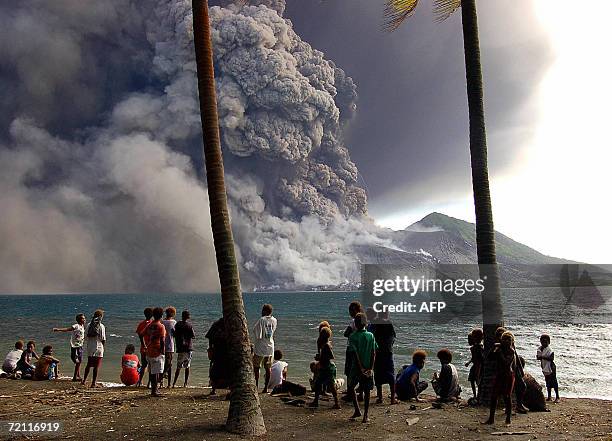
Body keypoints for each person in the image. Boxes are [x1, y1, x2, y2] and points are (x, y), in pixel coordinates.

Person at [347, 312, 377, 423]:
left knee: (351, 387)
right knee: (367, 391)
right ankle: (365, 415)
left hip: (356, 367)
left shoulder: (353, 336)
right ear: (366, 323)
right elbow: (374, 353)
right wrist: (371, 368)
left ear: (355, 323)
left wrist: (361, 368)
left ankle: (357, 410)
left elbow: (355, 354)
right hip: (369, 367)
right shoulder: (371, 335)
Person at [484, 331, 517, 425]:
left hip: (508, 376)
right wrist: (493, 348)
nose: (506, 341)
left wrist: (500, 353)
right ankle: (491, 418)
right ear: (501, 340)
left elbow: (507, 364)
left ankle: (508, 418)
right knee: (494, 396)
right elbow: (489, 358)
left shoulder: (511, 351)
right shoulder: (499, 349)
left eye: (508, 339)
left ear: (512, 341)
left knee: (507, 396)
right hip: (499, 375)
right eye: (504, 339)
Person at [309, 327, 340, 409]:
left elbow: (331, 356)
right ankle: (316, 401)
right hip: (325, 367)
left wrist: (320, 358)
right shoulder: (325, 344)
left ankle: (337, 403)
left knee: (330, 386)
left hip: (328, 368)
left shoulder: (326, 345)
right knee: (319, 383)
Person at [372, 311, 397, 404]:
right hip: (387, 352)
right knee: (391, 376)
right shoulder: (389, 323)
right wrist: (389, 346)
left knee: (378, 375)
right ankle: (392, 399)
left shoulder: (376, 324)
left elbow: (372, 336)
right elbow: (393, 337)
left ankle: (380, 397)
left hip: (378, 353)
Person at [52, 313, 86, 381]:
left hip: (80, 346)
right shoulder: (76, 326)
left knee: (79, 361)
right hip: (75, 346)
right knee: (76, 360)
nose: (85, 320)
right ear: (79, 320)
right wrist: (58, 329)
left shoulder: (82, 326)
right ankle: (75, 376)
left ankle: (77, 375)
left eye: (84, 318)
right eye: (83, 318)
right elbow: (67, 329)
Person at [252, 304, 277, 393]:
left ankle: (256, 386)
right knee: (268, 368)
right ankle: (266, 388)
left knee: (256, 367)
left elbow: (257, 333)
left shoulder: (261, 320)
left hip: (260, 347)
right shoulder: (274, 320)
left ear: (265, 311)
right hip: (270, 346)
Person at [82, 309, 106, 388]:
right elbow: (103, 338)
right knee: (96, 366)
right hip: (98, 347)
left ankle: (84, 380)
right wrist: (103, 347)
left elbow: (85, 336)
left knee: (88, 365)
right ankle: (93, 383)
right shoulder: (101, 326)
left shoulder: (89, 325)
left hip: (90, 347)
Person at [146, 307, 166, 397]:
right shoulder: (161, 326)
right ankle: (154, 391)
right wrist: (162, 351)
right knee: (156, 372)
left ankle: (154, 390)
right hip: (157, 351)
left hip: (149, 350)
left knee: (152, 372)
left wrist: (145, 344)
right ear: (161, 315)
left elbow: (142, 333)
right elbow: (162, 340)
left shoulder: (150, 325)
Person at [204, 316, 227, 393]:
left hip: (217, 351)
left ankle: (213, 389)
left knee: (214, 370)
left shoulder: (216, 325)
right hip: (226, 351)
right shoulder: (229, 325)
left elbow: (209, 337)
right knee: (229, 370)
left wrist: (211, 348)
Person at [174, 310, 196, 388]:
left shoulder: (178, 324)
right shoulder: (189, 325)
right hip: (188, 348)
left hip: (180, 348)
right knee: (187, 366)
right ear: (188, 316)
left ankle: (174, 383)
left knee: (178, 367)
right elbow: (193, 336)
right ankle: (185, 383)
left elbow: (174, 333)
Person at [537, 334, 559, 402]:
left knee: (554, 382)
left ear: (549, 342)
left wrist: (542, 357)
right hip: (545, 367)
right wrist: (539, 356)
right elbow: (538, 357)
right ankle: (549, 396)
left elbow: (552, 358)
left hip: (551, 367)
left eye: (546, 342)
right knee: (547, 382)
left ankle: (557, 397)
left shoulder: (550, 350)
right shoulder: (540, 349)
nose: (544, 343)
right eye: (543, 342)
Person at [465, 328, 484, 402]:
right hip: (475, 365)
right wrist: (469, 362)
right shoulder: (474, 348)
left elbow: (480, 358)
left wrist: (478, 368)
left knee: (477, 381)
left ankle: (477, 396)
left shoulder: (479, 347)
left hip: (478, 366)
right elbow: (473, 358)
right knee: (472, 380)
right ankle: (475, 395)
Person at [135, 307, 153, 387]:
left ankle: (139, 381)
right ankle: (149, 383)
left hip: (143, 348)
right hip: (151, 348)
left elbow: (140, 335)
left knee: (143, 365)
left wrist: (143, 345)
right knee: (151, 366)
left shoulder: (141, 324)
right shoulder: (152, 324)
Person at [161, 306, 177, 388]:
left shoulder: (162, 322)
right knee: (169, 365)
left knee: (163, 364)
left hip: (161, 346)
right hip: (170, 345)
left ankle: (161, 383)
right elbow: (175, 334)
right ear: (173, 314)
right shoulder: (174, 322)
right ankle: (169, 384)